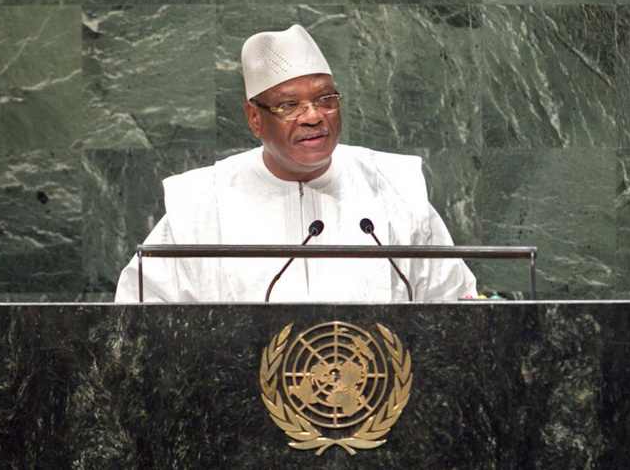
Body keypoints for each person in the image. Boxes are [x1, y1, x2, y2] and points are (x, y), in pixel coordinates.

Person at [115, 24, 477, 302]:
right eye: (289, 106)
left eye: (326, 99)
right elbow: (139, 315)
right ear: (254, 118)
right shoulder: (200, 204)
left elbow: (455, 302)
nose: (313, 116)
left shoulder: (394, 187)